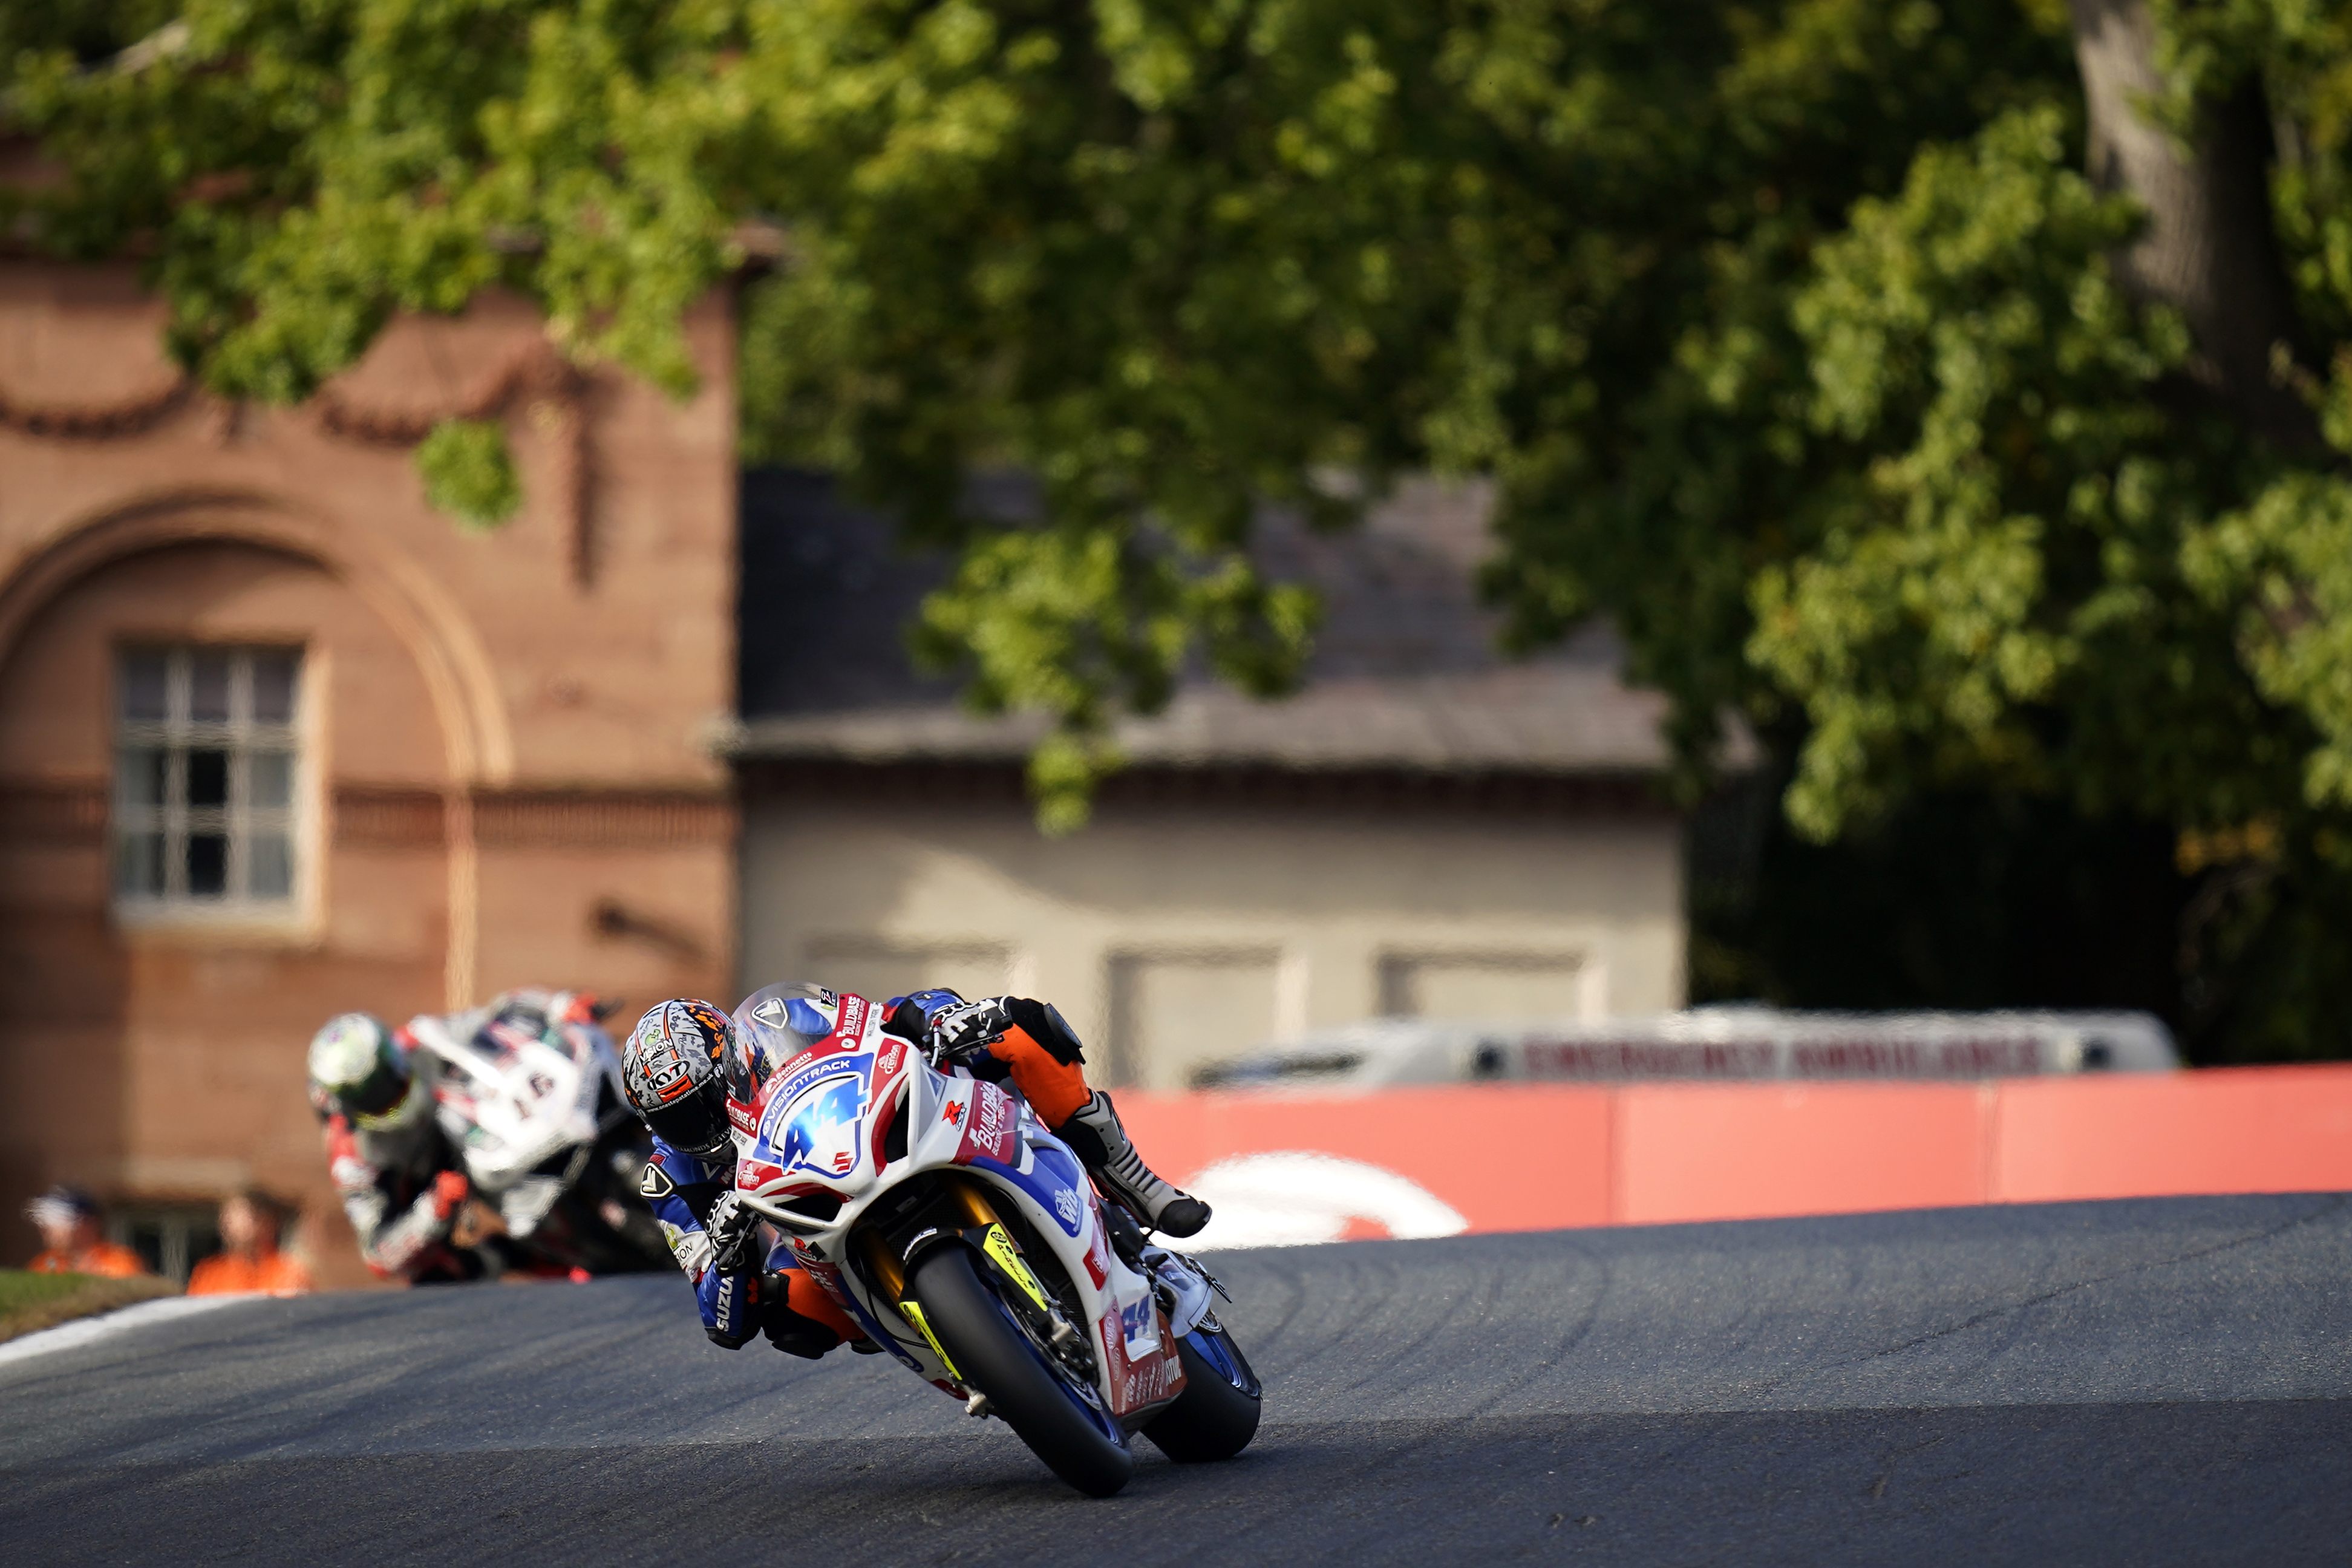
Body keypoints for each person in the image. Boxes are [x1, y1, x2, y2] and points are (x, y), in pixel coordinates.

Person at [616, 982, 1210, 1360]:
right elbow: (724, 1322)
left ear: (729, 1057)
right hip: (815, 1225)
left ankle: (1130, 1180)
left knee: (1020, 1025)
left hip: (872, 1126)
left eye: (706, 1100)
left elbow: (872, 1018)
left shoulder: (777, 1019)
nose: (702, 1125)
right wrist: (728, 1254)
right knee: (788, 1313)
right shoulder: (672, 1179)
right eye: (678, 1120)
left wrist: (939, 1018)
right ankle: (942, 1330)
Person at [186, 1190, 313, 1296]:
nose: (234, 1224)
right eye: (229, 1217)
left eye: (242, 1216)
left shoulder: (289, 1271)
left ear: (267, 1223)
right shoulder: (208, 1273)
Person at [24, 1186, 148, 1277]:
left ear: (87, 1223)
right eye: (45, 1222)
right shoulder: (42, 1266)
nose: (46, 1228)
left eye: (57, 1221)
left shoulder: (119, 1264)